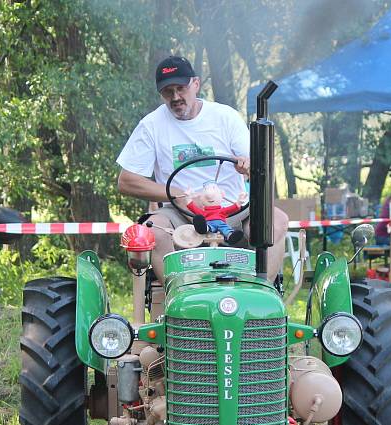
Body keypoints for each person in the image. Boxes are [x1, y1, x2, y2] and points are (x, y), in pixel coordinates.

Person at [116, 55, 288, 282]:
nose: (176, 97)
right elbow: (126, 181)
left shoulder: (225, 116)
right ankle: (179, 303)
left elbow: (258, 164)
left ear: (195, 84)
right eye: (168, 91)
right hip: (180, 212)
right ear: (161, 94)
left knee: (275, 220)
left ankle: (262, 297)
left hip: (233, 212)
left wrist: (248, 165)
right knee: (153, 231)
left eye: (181, 88)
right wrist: (176, 193)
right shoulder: (151, 125)